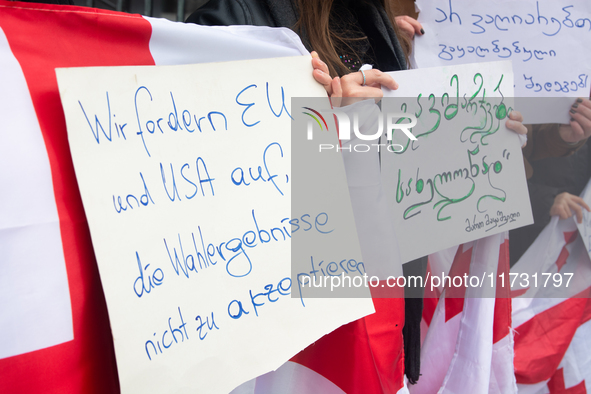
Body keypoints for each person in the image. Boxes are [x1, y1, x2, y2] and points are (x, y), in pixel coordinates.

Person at [186, 0, 532, 388]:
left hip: (378, 305)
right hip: (294, 331)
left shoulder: (373, 18)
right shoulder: (232, 20)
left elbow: (401, 156)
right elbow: (210, 180)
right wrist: (327, 125)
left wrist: (483, 142)